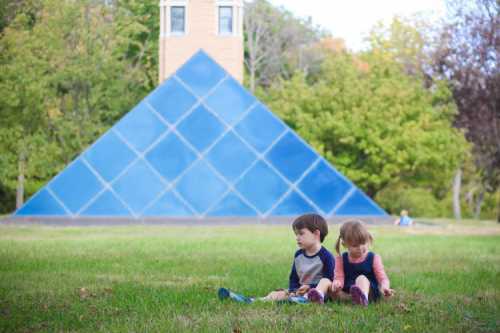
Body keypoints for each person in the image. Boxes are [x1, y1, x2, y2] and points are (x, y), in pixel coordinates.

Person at [218, 213, 335, 304]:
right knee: (277, 294)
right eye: (296, 235)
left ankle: (305, 300)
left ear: (316, 234)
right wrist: (294, 290)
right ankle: (250, 300)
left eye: (301, 234)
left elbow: (329, 280)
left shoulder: (326, 256)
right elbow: (294, 277)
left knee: (319, 286)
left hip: (318, 293)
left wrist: (310, 287)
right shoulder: (298, 255)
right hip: (299, 291)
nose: (297, 238)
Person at [330, 220, 394, 306]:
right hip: (348, 290)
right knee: (329, 285)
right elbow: (339, 277)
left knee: (361, 278)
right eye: (355, 245)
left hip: (370, 292)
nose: (360, 248)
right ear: (345, 244)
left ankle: (363, 298)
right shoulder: (341, 259)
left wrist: (385, 287)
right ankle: (351, 298)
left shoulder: (373, 257)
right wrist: (337, 283)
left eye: (363, 243)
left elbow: (382, 278)